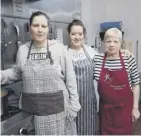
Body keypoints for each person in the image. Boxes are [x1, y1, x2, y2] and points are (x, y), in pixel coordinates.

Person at [1, 11, 81, 135]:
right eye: (36, 25)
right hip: (32, 113)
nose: (39, 30)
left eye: (43, 26)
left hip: (58, 113)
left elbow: (71, 79)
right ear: (29, 27)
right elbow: (16, 73)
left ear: (48, 29)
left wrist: (74, 107)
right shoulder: (23, 50)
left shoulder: (59, 49)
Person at [93, 27, 140, 135]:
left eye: (115, 41)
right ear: (104, 42)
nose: (112, 44)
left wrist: (135, 108)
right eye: (108, 41)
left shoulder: (129, 59)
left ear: (121, 43)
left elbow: (136, 84)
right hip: (106, 113)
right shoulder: (97, 59)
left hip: (125, 111)